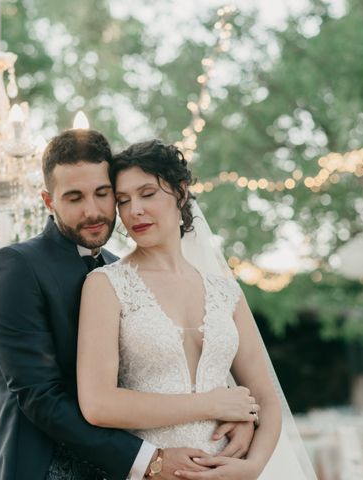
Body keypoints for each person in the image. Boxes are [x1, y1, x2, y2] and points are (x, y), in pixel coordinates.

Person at [0, 130, 257, 480]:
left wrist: (234, 416)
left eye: (102, 194)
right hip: (45, 469)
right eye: (74, 198)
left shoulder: (120, 271)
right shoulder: (17, 266)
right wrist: (150, 460)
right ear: (48, 202)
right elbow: (40, 397)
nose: (92, 211)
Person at [76, 139, 316, 479]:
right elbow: (98, 404)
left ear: (181, 193)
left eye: (147, 194)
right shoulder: (106, 285)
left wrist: (253, 466)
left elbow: (267, 397)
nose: (134, 211)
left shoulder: (225, 291)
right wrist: (210, 404)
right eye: (123, 201)